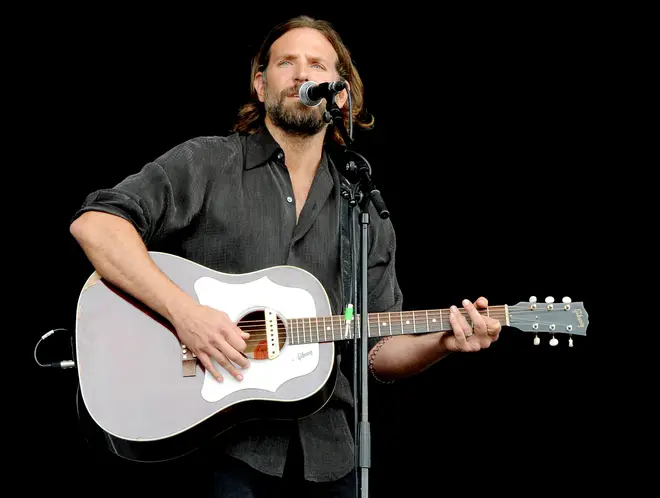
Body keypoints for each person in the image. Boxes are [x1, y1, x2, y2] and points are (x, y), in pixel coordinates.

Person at [69, 15, 502, 497]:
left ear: (340, 94)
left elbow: (376, 352)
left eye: (317, 64)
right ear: (260, 84)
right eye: (285, 63)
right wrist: (186, 314)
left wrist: (441, 342)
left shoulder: (365, 210)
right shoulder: (208, 163)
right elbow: (97, 226)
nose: (301, 75)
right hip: (214, 442)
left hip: (328, 453)